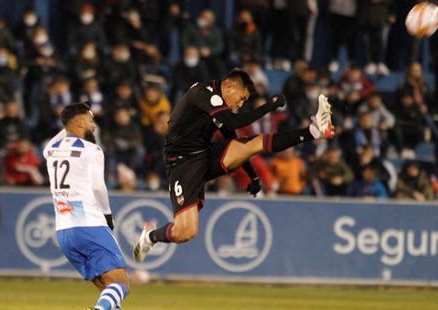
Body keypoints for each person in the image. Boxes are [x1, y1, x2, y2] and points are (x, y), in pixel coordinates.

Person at [133, 68, 334, 262]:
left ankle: (313, 131)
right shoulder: (202, 93)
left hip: (204, 154)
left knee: (253, 143)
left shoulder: (219, 108)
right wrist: (268, 107)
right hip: (182, 163)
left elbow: (236, 140)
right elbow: (233, 123)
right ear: (229, 86)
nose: (240, 103)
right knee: (185, 232)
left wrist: (252, 176)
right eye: (242, 98)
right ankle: (150, 237)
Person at [43, 103, 129, 310]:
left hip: (64, 232)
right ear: (80, 121)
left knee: (108, 290)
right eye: (90, 118)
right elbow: (99, 187)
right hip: (90, 226)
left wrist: (68, 122)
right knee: (121, 285)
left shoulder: (51, 150)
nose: (94, 122)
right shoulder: (92, 150)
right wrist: (108, 215)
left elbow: (53, 142)